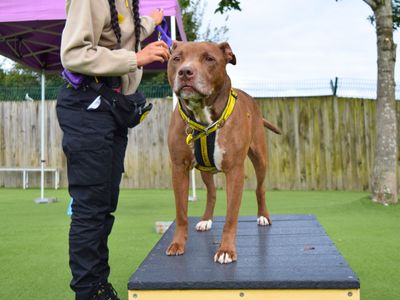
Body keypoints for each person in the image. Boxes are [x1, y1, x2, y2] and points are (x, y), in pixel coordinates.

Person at [56, 0, 170, 299]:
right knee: (91, 207)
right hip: (85, 105)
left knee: (104, 204)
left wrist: (151, 19)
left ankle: (98, 285)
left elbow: (123, 27)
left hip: (111, 106)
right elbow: (74, 53)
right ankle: (88, 291)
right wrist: (137, 58)